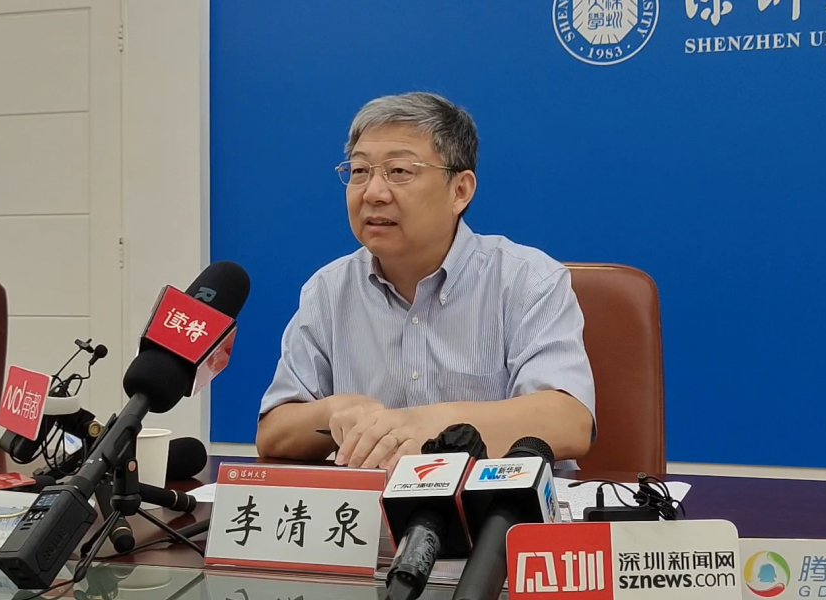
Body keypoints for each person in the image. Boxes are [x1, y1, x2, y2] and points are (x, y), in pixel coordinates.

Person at [254, 91, 595, 471]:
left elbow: (569, 421)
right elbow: (273, 434)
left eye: (399, 171)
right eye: (360, 171)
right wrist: (335, 411)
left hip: (498, 503)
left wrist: (425, 425)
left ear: (460, 191)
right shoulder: (329, 290)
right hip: (375, 506)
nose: (373, 193)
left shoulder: (527, 280)